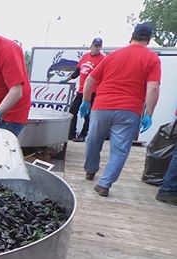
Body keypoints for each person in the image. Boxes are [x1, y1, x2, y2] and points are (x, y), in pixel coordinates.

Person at [81, 23, 161, 197]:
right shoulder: (152, 59)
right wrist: (149, 114)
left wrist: (85, 101)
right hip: (129, 110)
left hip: (102, 105)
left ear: (132, 36)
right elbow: (153, 88)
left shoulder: (113, 55)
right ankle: (104, 184)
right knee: (120, 149)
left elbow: (89, 80)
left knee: (93, 140)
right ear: (148, 39)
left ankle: (90, 170)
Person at [62, 38, 106, 142]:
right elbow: (77, 71)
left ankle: (83, 134)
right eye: (95, 45)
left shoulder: (103, 59)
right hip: (81, 90)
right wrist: (67, 79)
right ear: (91, 46)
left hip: (93, 91)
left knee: (88, 114)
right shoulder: (85, 56)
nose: (96, 48)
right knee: (72, 110)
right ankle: (71, 133)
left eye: (98, 46)